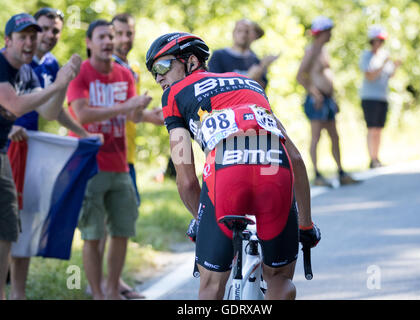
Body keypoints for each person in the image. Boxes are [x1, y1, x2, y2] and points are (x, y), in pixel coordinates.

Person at [145, 32, 321, 300]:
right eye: (153, 72)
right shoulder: (250, 84)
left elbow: (187, 180)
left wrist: (201, 221)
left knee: (211, 287)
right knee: (281, 281)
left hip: (225, 177)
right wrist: (306, 226)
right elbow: (296, 158)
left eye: (162, 66)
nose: (158, 78)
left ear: (191, 61)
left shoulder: (173, 95)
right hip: (276, 170)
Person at [8, 7, 102, 300]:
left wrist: (84, 135)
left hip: (30, 148)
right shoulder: (8, 60)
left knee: (21, 221)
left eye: (54, 30)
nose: (47, 36)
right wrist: (6, 127)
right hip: (8, 144)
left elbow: (52, 110)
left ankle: (18, 293)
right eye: (42, 29)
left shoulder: (48, 65)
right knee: (5, 223)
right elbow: (9, 103)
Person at [66, 19, 152, 300]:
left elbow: (132, 117)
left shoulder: (125, 75)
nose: (108, 42)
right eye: (102, 37)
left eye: (111, 37)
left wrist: (140, 108)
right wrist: (126, 105)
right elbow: (82, 114)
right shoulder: (80, 73)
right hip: (88, 163)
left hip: (119, 163)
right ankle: (99, 295)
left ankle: (113, 290)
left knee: (122, 229)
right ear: (89, 42)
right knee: (92, 233)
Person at [296, 16, 359, 187]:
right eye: (329, 31)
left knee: (334, 136)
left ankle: (341, 172)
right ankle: (317, 175)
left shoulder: (323, 50)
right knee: (316, 136)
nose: (331, 34)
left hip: (328, 99)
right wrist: (315, 93)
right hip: (317, 99)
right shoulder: (312, 50)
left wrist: (334, 98)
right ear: (322, 32)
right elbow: (301, 75)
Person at [359, 26, 401, 169]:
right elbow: (369, 76)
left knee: (379, 128)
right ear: (372, 41)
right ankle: (372, 159)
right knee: (371, 128)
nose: (379, 44)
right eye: (377, 41)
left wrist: (395, 66)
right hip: (369, 97)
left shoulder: (384, 55)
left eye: (382, 41)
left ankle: (377, 157)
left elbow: (390, 74)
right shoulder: (366, 56)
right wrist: (383, 64)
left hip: (382, 97)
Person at [208, 19, 279, 89]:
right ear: (233, 33)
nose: (243, 35)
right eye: (239, 31)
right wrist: (249, 77)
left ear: (252, 36)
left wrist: (263, 67)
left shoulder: (256, 61)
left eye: (247, 32)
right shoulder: (219, 56)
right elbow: (213, 86)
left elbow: (261, 90)